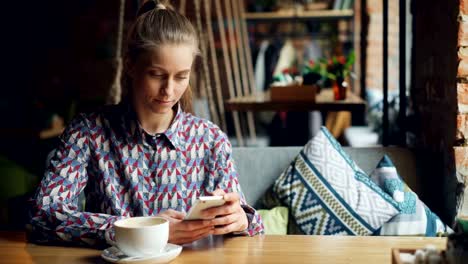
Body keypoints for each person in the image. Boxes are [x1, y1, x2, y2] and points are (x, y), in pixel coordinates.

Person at [29, 0, 264, 247]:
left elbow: (254, 226)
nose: (169, 90)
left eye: (181, 76)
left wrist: (241, 220)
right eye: (157, 75)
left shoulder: (210, 139)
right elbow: (42, 216)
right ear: (131, 65)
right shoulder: (88, 132)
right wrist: (144, 229)